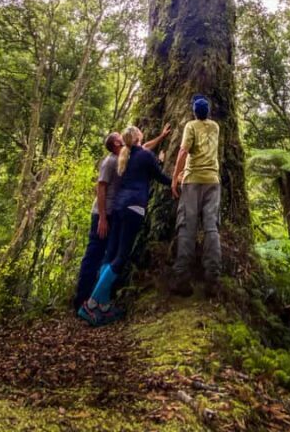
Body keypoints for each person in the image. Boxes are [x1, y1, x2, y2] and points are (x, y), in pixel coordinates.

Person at [78, 124, 172, 326]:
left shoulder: (125, 155)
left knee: (110, 254)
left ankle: (103, 304)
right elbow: (160, 176)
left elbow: (143, 148)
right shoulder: (139, 156)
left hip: (118, 207)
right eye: (139, 131)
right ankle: (91, 303)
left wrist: (162, 136)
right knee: (121, 257)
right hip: (134, 207)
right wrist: (176, 181)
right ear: (136, 137)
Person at [170, 95, 221, 298]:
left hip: (192, 181)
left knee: (187, 226)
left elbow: (183, 152)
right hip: (213, 181)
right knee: (211, 227)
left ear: (194, 112)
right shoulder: (215, 127)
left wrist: (175, 177)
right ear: (208, 112)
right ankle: (213, 279)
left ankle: (182, 277)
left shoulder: (191, 125)